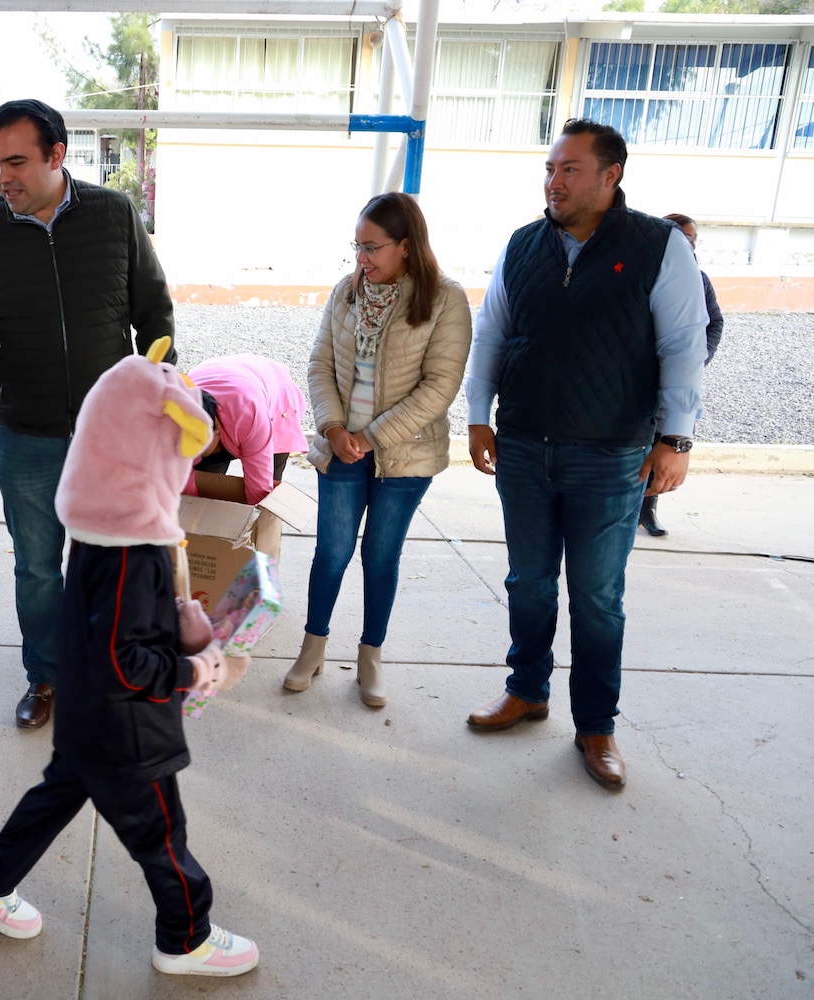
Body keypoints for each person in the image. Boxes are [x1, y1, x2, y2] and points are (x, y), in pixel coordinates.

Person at [0, 344, 259, 978]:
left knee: (55, 797)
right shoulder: (132, 553)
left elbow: (107, 631)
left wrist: (177, 622)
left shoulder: (105, 531)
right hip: (127, 732)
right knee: (161, 835)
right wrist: (198, 669)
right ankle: (186, 939)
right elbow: (126, 662)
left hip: (88, 717)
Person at [0, 98, 176, 729]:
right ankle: (47, 676)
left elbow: (153, 310)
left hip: (108, 434)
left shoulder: (114, 214)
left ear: (57, 155)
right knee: (36, 567)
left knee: (110, 561)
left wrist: (159, 386)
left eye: (17, 162)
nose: (3, 177)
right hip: (23, 434)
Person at [464, 120, 707, 790]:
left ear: (610, 175)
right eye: (550, 168)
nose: (554, 181)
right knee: (527, 582)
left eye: (569, 169)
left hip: (610, 454)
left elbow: (683, 344)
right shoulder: (524, 244)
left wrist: (676, 439)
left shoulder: (657, 245)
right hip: (522, 446)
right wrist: (478, 415)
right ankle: (526, 690)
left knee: (597, 597)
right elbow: (492, 332)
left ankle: (596, 727)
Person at [285, 192, 472, 708]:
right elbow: (320, 363)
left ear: (406, 246)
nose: (362, 258)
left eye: (372, 248)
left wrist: (371, 438)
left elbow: (439, 387)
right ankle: (312, 647)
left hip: (404, 456)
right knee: (332, 551)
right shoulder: (346, 292)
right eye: (357, 247)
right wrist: (333, 427)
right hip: (341, 447)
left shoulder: (445, 299)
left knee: (381, 555)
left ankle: (370, 657)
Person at [640, 213, 723, 537]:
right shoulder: (645, 271)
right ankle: (629, 508)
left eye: (692, 238)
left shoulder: (699, 279)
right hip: (639, 380)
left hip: (673, 383)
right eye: (682, 236)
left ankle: (648, 510)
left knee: (663, 441)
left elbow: (713, 324)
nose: (688, 243)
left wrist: (695, 360)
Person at [184, 355, 307, 506]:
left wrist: (258, 518)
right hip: (225, 377)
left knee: (269, 487)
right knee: (205, 483)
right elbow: (182, 478)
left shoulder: (249, 412)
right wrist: (190, 507)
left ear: (216, 426)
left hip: (273, 393)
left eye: (198, 445)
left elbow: (260, 488)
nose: (193, 453)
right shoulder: (170, 422)